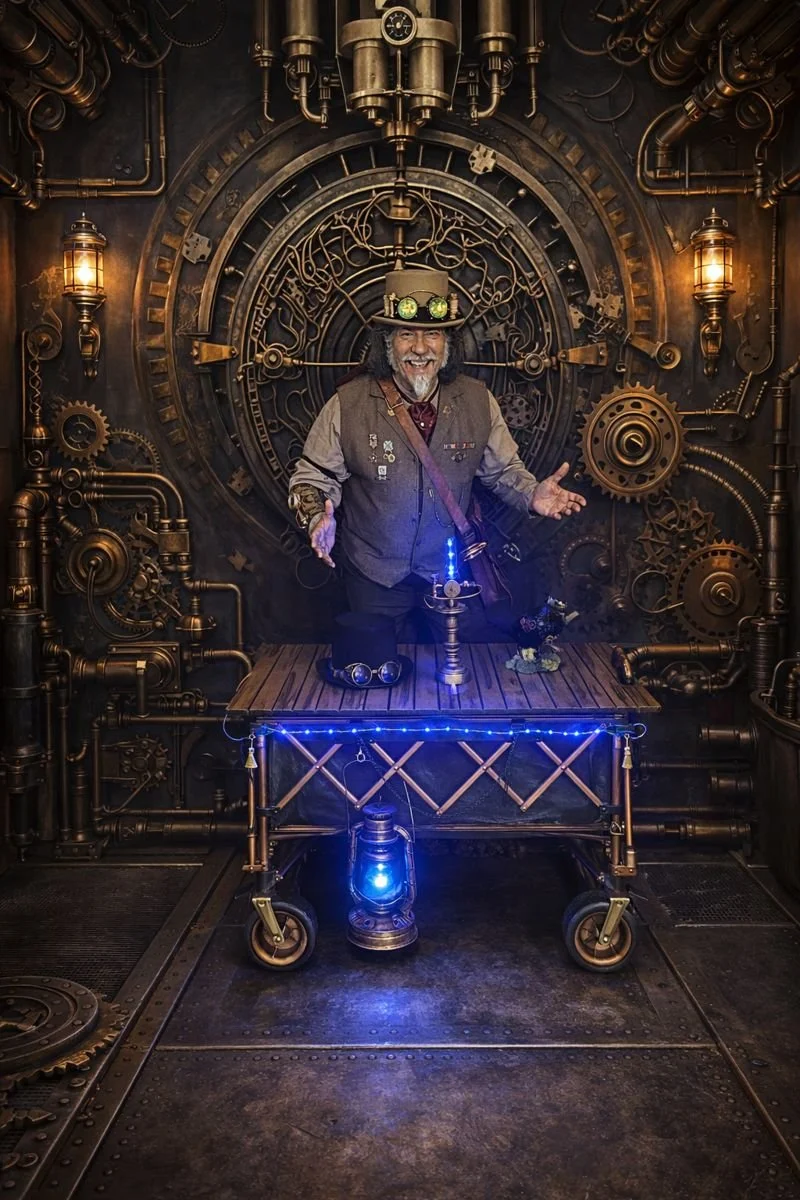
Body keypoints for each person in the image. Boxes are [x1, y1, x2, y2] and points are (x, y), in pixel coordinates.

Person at [288, 265, 586, 636]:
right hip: (374, 574)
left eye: (433, 334)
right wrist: (318, 517)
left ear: (447, 345)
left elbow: (503, 471)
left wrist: (530, 493)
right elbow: (313, 477)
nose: (419, 348)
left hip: (450, 576)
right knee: (377, 677)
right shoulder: (347, 403)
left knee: (461, 679)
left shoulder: (478, 401)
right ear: (386, 343)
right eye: (406, 334)